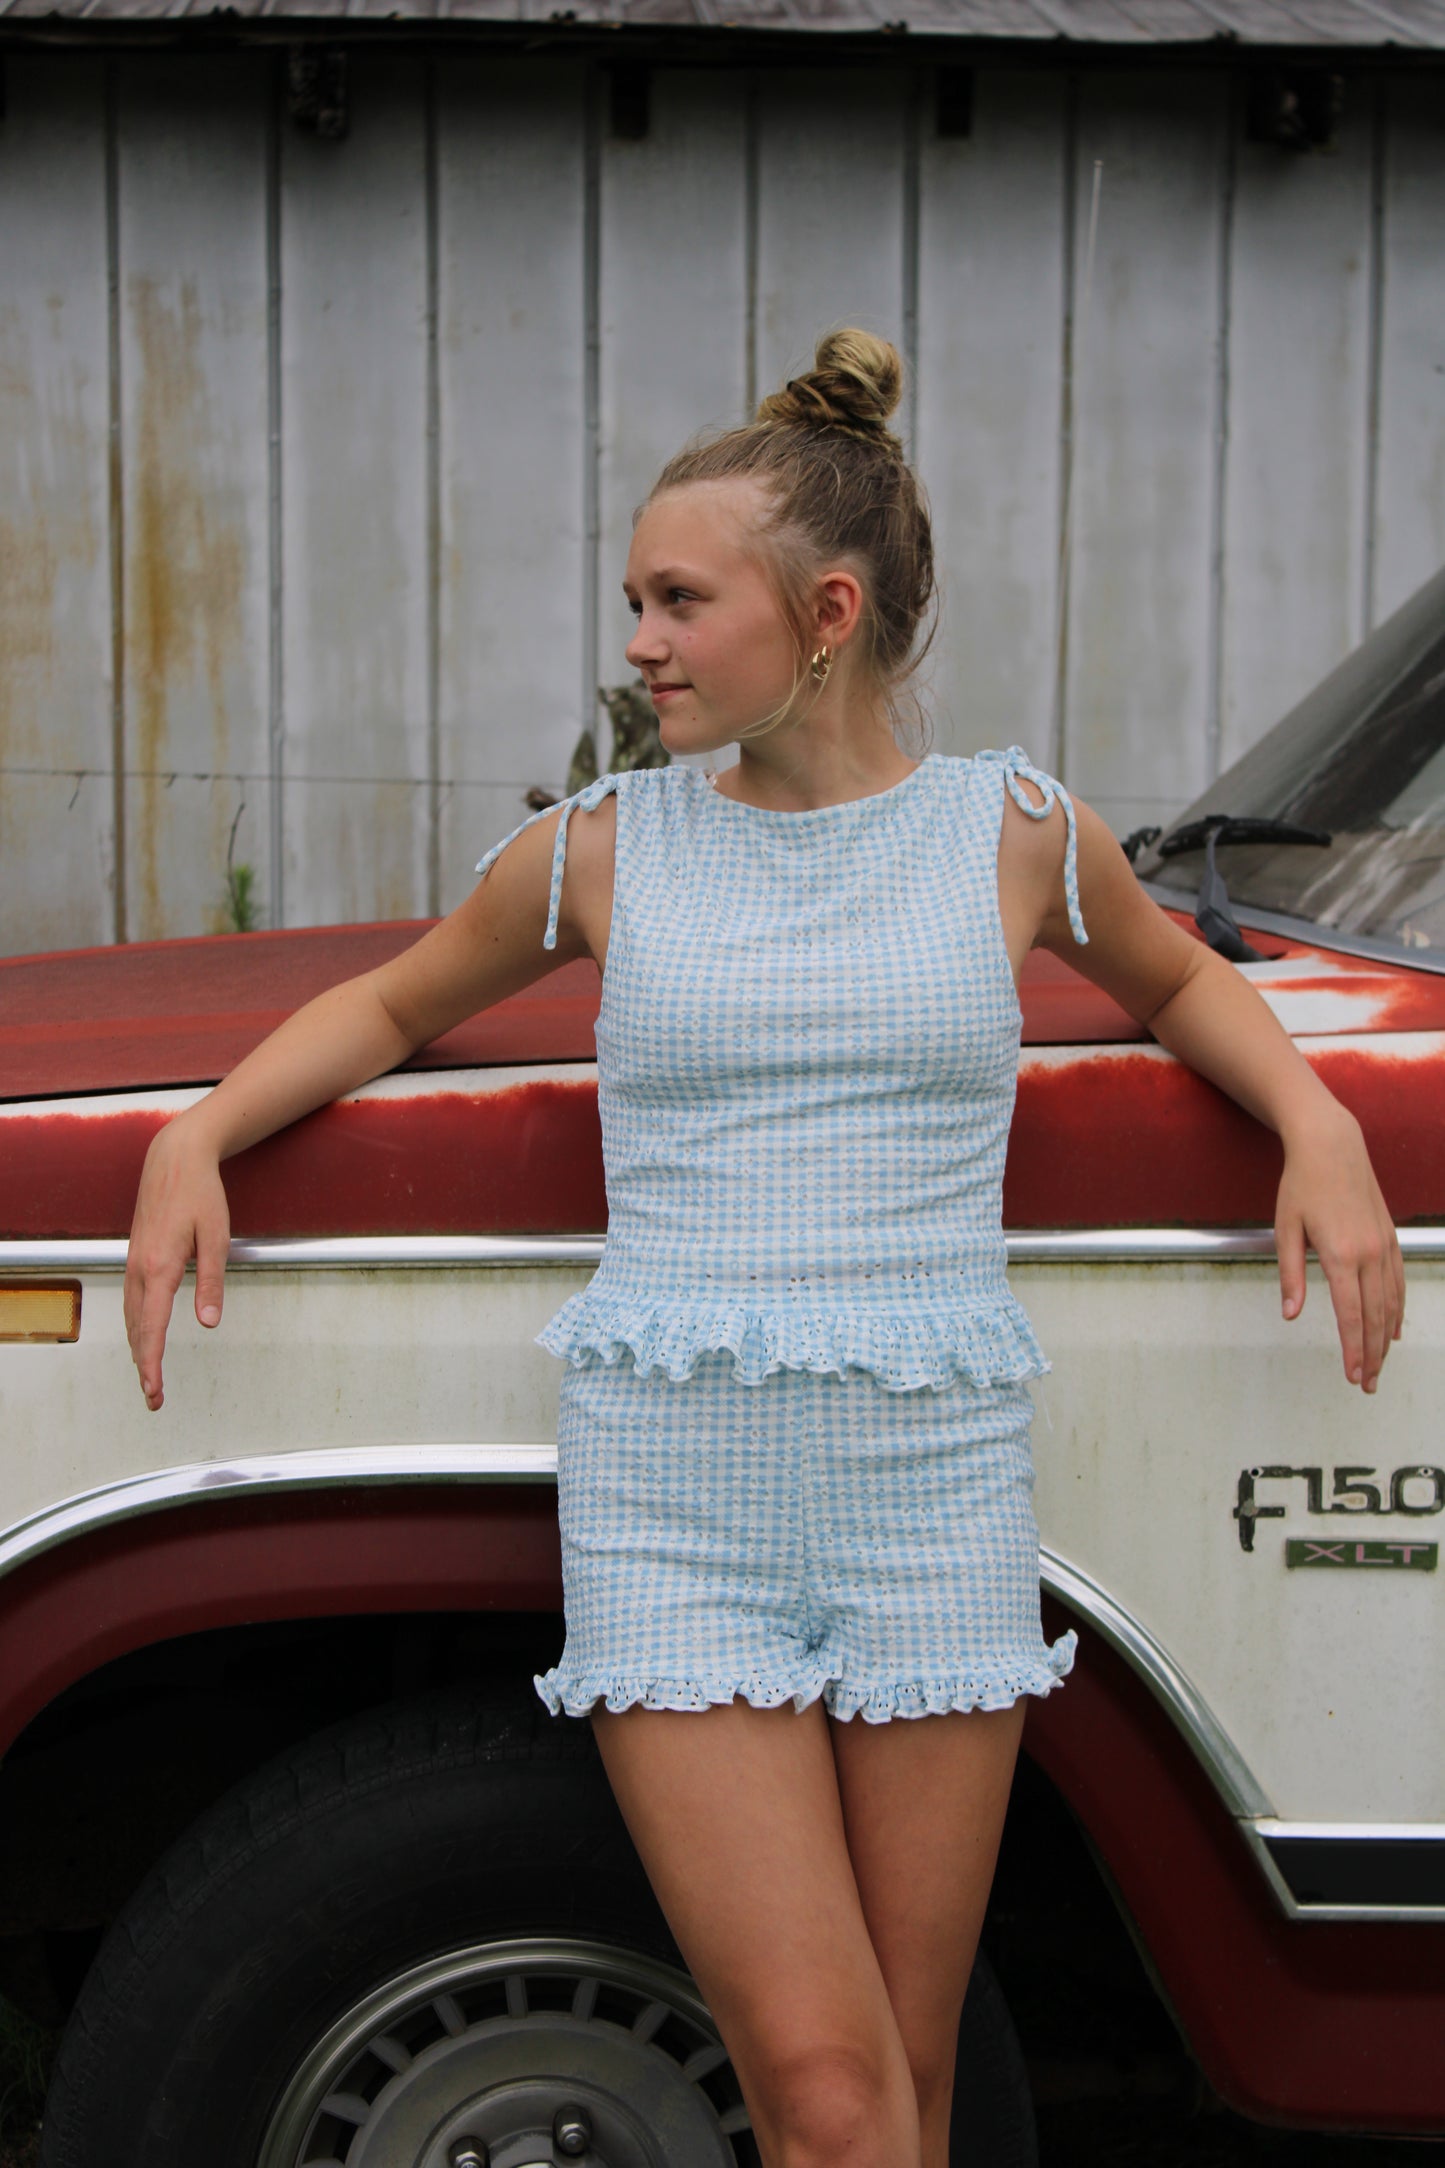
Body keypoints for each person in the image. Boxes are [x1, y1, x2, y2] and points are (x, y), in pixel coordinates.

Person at [125, 327, 1404, 2168]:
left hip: (931, 1487)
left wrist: (1316, 1124)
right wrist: (198, 1127)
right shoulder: (600, 853)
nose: (635, 643)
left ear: (820, 610)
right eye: (632, 601)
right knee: (818, 2095)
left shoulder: (1014, 836)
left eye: (672, 600)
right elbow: (394, 1004)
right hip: (675, 1489)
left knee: (907, 2086)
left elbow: (1183, 977)